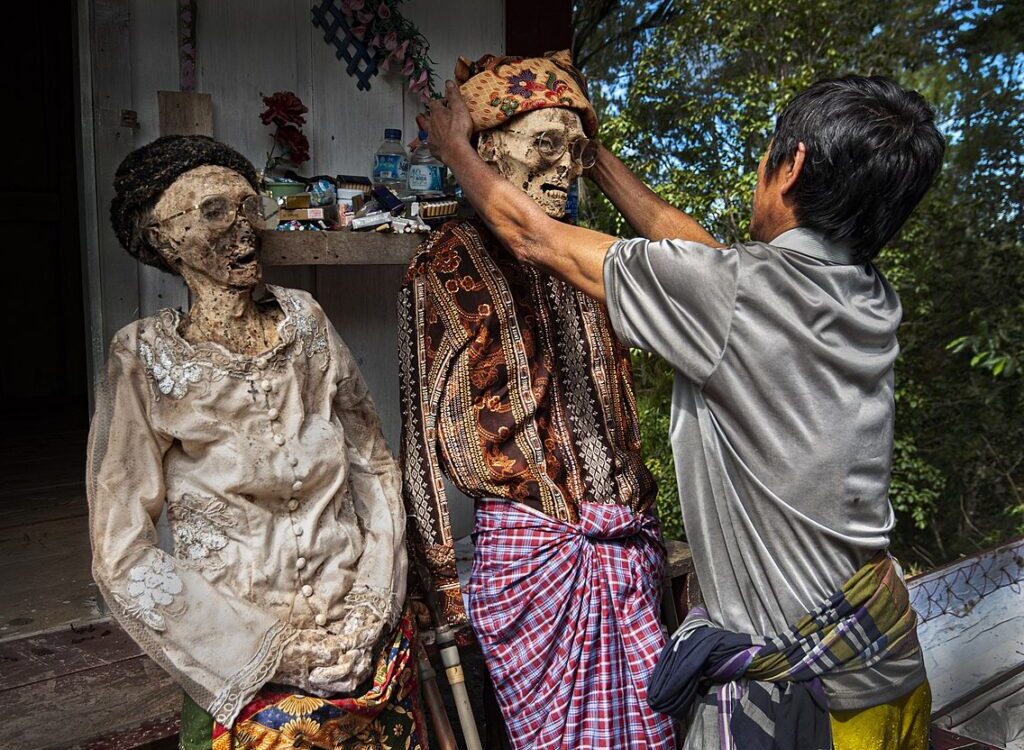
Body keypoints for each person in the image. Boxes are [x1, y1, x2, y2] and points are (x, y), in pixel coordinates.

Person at [420, 74, 945, 750]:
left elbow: (536, 239)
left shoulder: (736, 298)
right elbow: (703, 260)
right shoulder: (863, 295)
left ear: (794, 165)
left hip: (811, 707)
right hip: (889, 664)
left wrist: (455, 149)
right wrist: (596, 158)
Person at [90, 135, 424, 749]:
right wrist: (271, 652)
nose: (245, 226)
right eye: (215, 211)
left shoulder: (306, 322)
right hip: (246, 665)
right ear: (163, 239)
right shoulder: (142, 357)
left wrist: (375, 602)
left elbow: (373, 465)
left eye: (250, 206)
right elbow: (122, 552)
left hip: (365, 639)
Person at [399, 51, 675, 749]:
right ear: (491, 149)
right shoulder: (446, 262)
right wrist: (439, 582)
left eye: (578, 151)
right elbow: (420, 436)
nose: (564, 167)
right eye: (544, 144)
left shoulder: (591, 258)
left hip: (625, 553)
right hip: (534, 565)